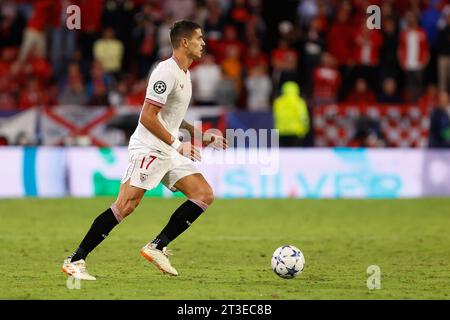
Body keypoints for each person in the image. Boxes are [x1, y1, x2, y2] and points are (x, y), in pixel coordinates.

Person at [62, 20, 228, 280]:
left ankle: (158, 246)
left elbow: (171, 116)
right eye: (199, 38)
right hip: (149, 146)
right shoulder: (166, 71)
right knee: (125, 205)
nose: (203, 43)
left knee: (203, 194)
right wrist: (178, 144)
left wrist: (199, 134)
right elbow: (148, 117)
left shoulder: (185, 74)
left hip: (168, 148)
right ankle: (75, 260)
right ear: (184, 42)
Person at [273, 81, 310, 147]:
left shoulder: (278, 102)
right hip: (296, 132)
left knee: (283, 154)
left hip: (281, 132)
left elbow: (274, 117)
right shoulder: (299, 101)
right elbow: (304, 117)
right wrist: (305, 130)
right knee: (295, 155)